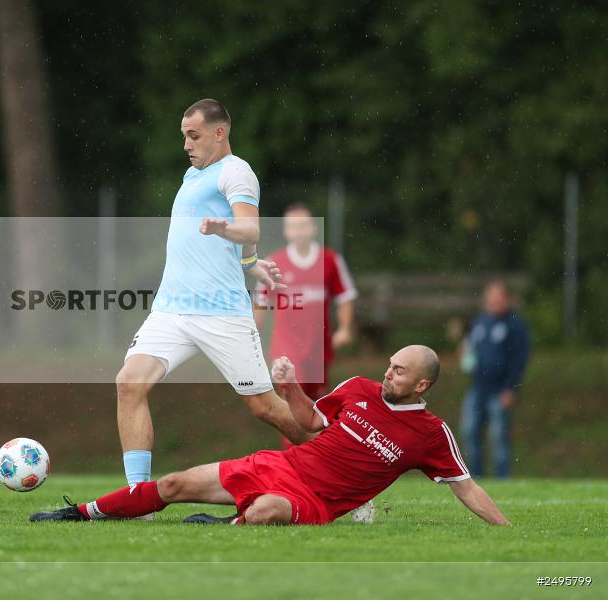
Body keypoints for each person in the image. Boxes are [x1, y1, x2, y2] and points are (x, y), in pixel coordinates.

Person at [32, 346, 510, 527]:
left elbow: (464, 486)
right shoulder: (360, 389)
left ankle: (226, 524)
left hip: (316, 501)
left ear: (422, 386)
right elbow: (309, 423)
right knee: (173, 484)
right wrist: (290, 388)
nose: (388, 374)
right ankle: (81, 512)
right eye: (390, 365)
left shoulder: (431, 433)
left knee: (266, 511)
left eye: (400, 372)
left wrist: (506, 532)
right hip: (280, 466)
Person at [116, 99, 311, 493]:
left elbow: (249, 229)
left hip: (221, 314)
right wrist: (251, 263)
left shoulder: (237, 173)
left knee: (264, 407)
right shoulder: (192, 176)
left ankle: (342, 464)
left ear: (219, 133)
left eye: (194, 135)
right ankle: (137, 495)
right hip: (171, 310)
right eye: (184, 136)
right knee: (129, 383)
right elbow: (229, 245)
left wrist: (226, 231)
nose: (186, 145)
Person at [254, 203, 358, 441]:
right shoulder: (274, 262)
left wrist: (344, 329)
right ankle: (293, 461)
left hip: (318, 348)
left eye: (303, 226)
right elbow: (261, 300)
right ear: (286, 231)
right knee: (291, 400)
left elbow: (346, 296)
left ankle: (315, 458)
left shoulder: (330, 260)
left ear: (312, 228)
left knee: (318, 407)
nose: (298, 231)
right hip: (286, 347)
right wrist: (252, 332)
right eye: (292, 227)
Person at [461, 279, 530, 479]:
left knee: (498, 436)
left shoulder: (515, 325)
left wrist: (511, 388)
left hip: (501, 390)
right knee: (470, 431)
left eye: (497, 298)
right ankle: (474, 478)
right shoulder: (481, 322)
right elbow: (470, 350)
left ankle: (502, 479)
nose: (493, 302)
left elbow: (519, 360)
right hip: (478, 388)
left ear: (507, 299)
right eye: (490, 297)